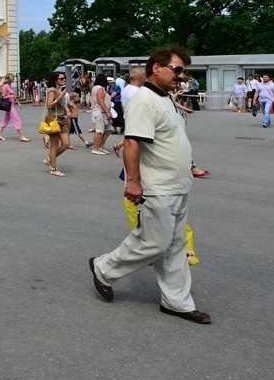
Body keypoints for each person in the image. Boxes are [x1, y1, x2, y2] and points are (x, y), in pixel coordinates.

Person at [89, 46, 210, 324]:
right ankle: (103, 268)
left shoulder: (165, 97)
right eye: (177, 69)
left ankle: (176, 302)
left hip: (177, 185)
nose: (181, 76)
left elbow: (155, 136)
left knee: (175, 246)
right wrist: (132, 182)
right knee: (155, 243)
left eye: (184, 71)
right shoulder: (145, 99)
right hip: (158, 186)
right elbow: (133, 141)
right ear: (157, 67)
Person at [43, 72, 70, 177]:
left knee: (66, 144)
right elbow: (49, 105)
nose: (64, 80)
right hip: (54, 119)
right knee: (54, 145)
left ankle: (50, 159)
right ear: (55, 80)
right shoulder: (52, 90)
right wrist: (60, 97)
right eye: (61, 78)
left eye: (64, 78)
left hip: (62, 119)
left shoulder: (59, 90)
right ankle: (53, 168)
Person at [0, 74, 30, 142]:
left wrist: (18, 102)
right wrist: (11, 96)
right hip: (9, 105)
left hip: (11, 104)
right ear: (10, 79)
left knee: (5, 119)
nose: (13, 80)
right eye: (13, 79)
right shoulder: (5, 86)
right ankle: (21, 136)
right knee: (16, 119)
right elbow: (3, 96)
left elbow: (12, 96)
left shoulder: (9, 86)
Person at [90, 73, 113, 155]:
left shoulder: (97, 88)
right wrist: (107, 111)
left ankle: (101, 146)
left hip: (101, 111)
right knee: (99, 130)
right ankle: (95, 148)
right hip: (100, 111)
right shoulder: (99, 88)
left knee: (108, 129)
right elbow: (100, 101)